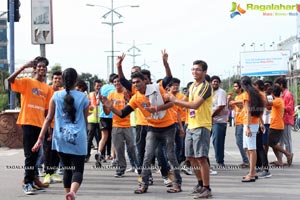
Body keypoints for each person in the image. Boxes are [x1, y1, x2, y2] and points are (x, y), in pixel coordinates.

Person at [101, 72, 182, 194]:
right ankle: (144, 184)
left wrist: (156, 109)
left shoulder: (156, 88)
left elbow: (172, 103)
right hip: (152, 129)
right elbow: (122, 114)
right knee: (147, 156)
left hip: (168, 127)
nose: (135, 84)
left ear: (145, 81)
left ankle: (177, 183)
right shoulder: (136, 98)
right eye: (133, 82)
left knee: (170, 155)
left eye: (138, 81)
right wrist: (110, 107)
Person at [32, 68, 89, 200]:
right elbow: (85, 121)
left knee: (67, 169)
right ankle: (73, 193)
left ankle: (67, 195)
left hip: (60, 138)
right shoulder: (83, 98)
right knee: (78, 170)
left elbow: (48, 119)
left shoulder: (56, 96)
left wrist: (39, 139)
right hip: (78, 138)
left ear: (63, 80)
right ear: (76, 81)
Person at [166, 60, 213, 198]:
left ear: (204, 72)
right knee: (190, 157)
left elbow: (194, 105)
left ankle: (207, 188)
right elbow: (182, 103)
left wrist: (174, 100)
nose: (194, 72)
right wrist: (162, 102)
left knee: (201, 158)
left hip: (202, 126)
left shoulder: (206, 86)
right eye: (193, 69)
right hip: (191, 125)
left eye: (198, 69)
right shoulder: (192, 85)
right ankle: (200, 184)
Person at [8, 56, 53, 195]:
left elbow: (47, 111)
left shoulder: (47, 89)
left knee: (38, 155)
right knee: (30, 155)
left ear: (46, 70)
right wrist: (23, 67)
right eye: (39, 66)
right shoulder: (27, 82)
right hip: (27, 122)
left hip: (40, 125)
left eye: (44, 67)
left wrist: (50, 129)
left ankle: (33, 180)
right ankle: (27, 183)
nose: (41, 69)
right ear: (35, 68)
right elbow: (10, 80)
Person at [103, 74, 139, 177]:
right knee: (119, 149)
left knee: (132, 147)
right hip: (116, 125)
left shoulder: (127, 92)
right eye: (114, 82)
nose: (117, 83)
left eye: (118, 81)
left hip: (128, 125)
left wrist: (128, 99)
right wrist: (104, 104)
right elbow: (106, 112)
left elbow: (132, 106)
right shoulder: (111, 94)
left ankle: (138, 166)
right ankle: (120, 168)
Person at [240, 76, 264, 182]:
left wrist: (248, 127)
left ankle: (251, 173)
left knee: (251, 148)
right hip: (252, 123)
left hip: (249, 124)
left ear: (242, 85)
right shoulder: (256, 94)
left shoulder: (246, 95)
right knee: (246, 148)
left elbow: (249, 111)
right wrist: (260, 123)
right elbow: (259, 111)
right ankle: (252, 170)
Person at [43, 71, 64, 185]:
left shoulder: (63, 92)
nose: (57, 80)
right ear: (52, 79)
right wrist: (48, 129)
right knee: (48, 151)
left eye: (59, 78)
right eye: (55, 78)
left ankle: (53, 172)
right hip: (48, 125)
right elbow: (45, 111)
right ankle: (47, 173)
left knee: (57, 150)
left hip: (60, 126)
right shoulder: (47, 90)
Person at [266, 85, 294, 166]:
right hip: (275, 125)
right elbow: (268, 107)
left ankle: (287, 154)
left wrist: (267, 96)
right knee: (272, 143)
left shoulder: (278, 100)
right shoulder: (278, 100)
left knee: (271, 143)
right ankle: (280, 160)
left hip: (276, 126)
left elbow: (267, 103)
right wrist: (269, 95)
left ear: (273, 93)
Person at [228, 80, 249, 168]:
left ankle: (247, 160)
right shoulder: (236, 97)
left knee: (240, 142)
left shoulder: (244, 95)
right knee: (240, 142)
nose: (234, 88)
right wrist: (230, 100)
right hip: (238, 121)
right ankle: (246, 160)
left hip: (243, 121)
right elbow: (231, 107)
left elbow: (243, 105)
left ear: (241, 87)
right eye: (234, 86)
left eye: (236, 86)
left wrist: (234, 102)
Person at [274, 77, 294, 166]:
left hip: (286, 120)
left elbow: (290, 108)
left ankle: (289, 158)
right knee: (280, 141)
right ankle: (280, 159)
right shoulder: (282, 95)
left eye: (277, 85)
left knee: (287, 140)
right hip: (281, 120)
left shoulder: (288, 95)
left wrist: (281, 108)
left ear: (281, 85)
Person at [211, 75, 228, 167]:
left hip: (219, 121)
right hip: (208, 120)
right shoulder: (209, 92)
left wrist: (211, 116)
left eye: (217, 81)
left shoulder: (221, 92)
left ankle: (220, 161)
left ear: (219, 83)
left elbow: (221, 106)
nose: (215, 83)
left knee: (218, 141)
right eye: (213, 81)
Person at [86, 80, 102, 162]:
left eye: (100, 86)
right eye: (97, 86)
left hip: (100, 119)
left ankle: (100, 155)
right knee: (89, 138)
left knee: (101, 138)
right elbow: (86, 105)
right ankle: (87, 155)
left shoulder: (103, 95)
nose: (98, 87)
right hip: (91, 119)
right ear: (94, 86)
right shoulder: (90, 95)